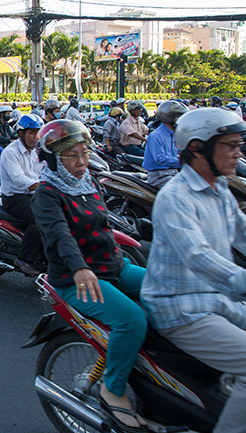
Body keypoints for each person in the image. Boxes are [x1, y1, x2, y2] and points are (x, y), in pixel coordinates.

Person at [32, 119, 148, 433]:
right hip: (75, 279)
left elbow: (106, 225)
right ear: (55, 159)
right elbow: (59, 235)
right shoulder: (46, 194)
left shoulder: (88, 182)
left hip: (114, 266)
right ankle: (113, 388)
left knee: (166, 290)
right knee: (132, 320)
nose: (81, 162)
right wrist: (80, 267)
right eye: (71, 156)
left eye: (84, 153)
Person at [141, 108, 246, 433]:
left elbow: (243, 235)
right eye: (230, 145)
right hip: (182, 309)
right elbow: (198, 256)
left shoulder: (221, 191)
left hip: (218, 300)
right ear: (198, 148)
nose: (237, 153)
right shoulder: (175, 198)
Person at [0, 113, 45, 276]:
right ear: (21, 133)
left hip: (33, 194)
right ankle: (24, 259)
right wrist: (42, 187)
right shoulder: (11, 152)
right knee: (41, 217)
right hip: (15, 198)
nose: (35, 136)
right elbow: (19, 180)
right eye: (31, 132)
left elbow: (44, 170)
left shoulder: (35, 151)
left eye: (38, 132)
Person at [142, 100, 189, 188]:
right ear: (168, 118)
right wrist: (182, 162)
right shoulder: (156, 136)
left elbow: (180, 151)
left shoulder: (174, 135)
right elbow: (160, 159)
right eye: (178, 118)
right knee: (184, 188)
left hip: (172, 173)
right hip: (159, 176)